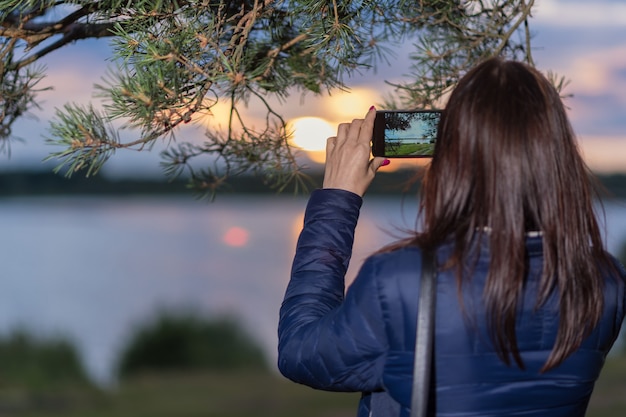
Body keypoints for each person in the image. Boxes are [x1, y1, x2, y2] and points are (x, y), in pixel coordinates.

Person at [277, 57, 626, 417]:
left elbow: (300, 352)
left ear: (452, 154)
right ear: (556, 152)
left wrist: (337, 200)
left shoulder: (402, 279)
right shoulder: (606, 281)